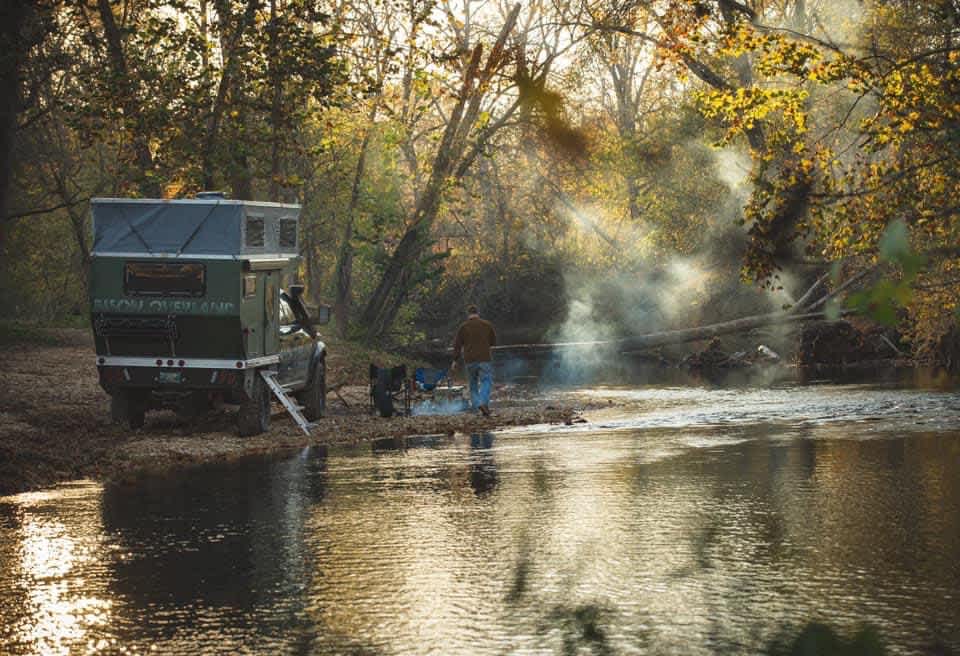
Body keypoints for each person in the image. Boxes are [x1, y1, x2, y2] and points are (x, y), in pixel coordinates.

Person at [451, 304, 497, 416]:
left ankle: (477, 407)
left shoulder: (463, 327)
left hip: (470, 360)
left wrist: (455, 360)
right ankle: (483, 403)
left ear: (468, 314)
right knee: (486, 381)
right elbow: (493, 342)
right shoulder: (487, 325)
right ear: (478, 313)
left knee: (473, 384)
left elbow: (457, 345)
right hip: (484, 358)